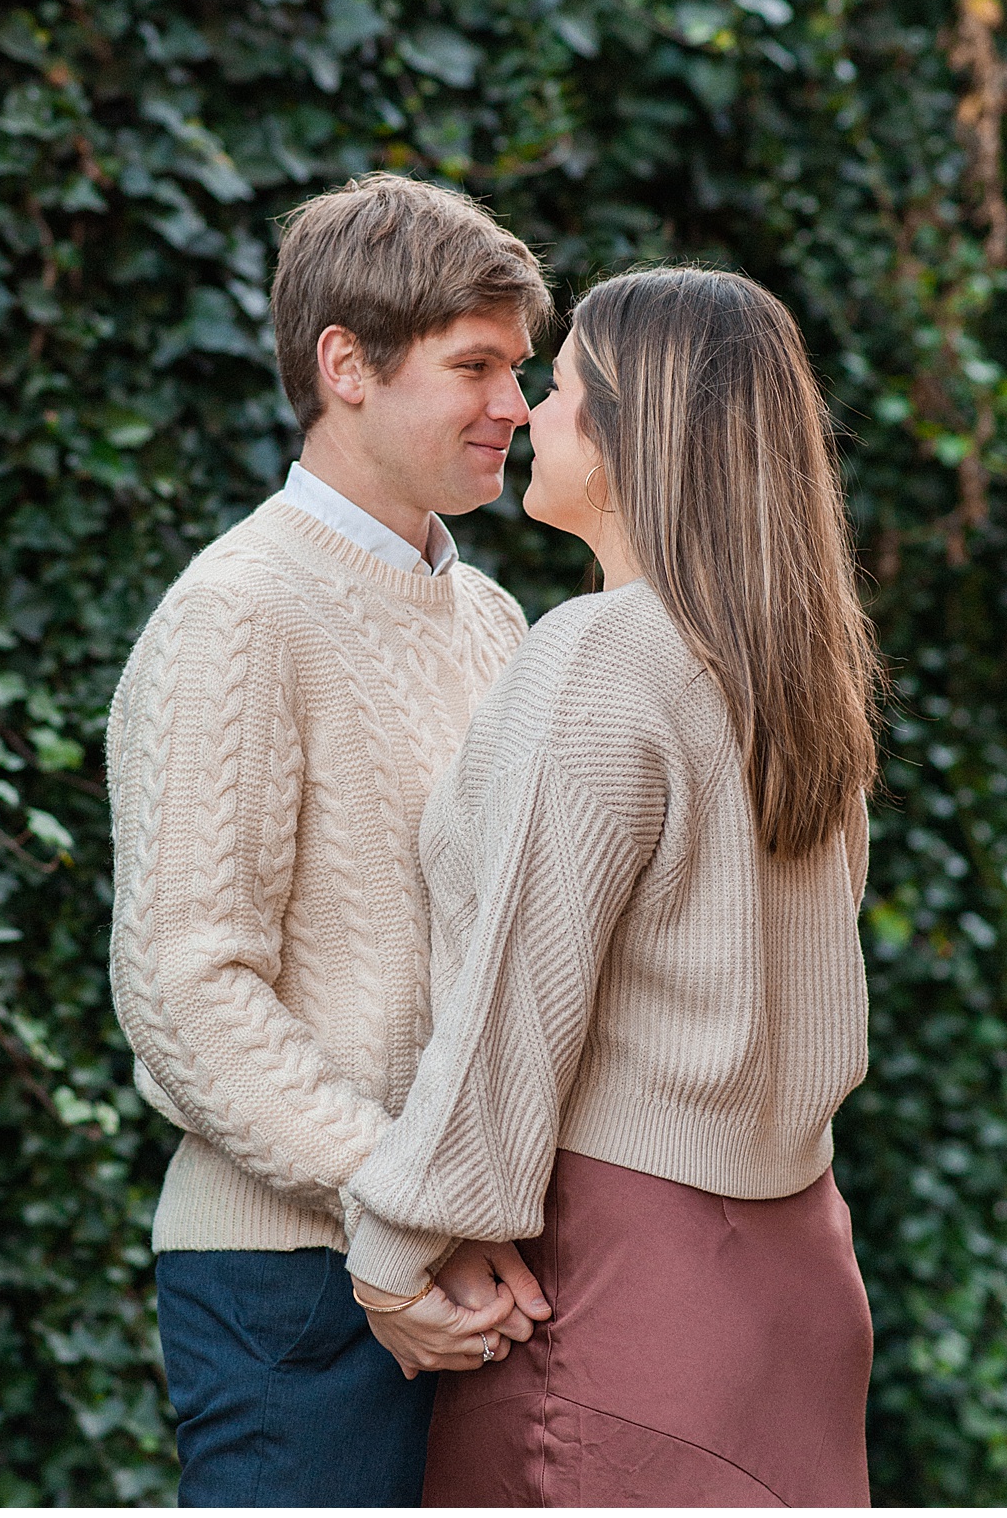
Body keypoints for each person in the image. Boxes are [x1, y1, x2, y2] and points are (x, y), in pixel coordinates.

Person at [343, 266, 881, 1506]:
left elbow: (515, 1004)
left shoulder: (599, 653)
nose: (530, 410)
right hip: (796, 1276)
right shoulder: (791, 668)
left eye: (567, 383)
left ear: (642, 427)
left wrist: (395, 1252)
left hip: (619, 1289)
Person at [107, 173, 557, 1507]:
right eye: (474, 365)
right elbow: (187, 991)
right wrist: (404, 1200)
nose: (515, 406)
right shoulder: (237, 617)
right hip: (289, 1292)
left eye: (518, 369)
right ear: (344, 365)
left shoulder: (494, 625)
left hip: (476, 1274)